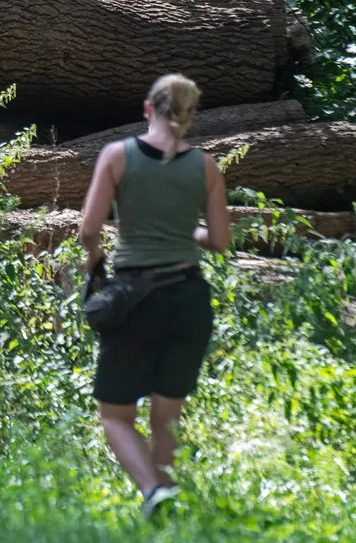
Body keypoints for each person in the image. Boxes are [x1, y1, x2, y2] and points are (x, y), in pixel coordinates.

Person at [78, 73, 231, 520]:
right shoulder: (205, 165)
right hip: (189, 300)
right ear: (189, 116)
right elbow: (219, 241)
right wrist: (186, 229)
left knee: (115, 415)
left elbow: (89, 229)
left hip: (135, 301)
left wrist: (95, 257)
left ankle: (152, 493)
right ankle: (166, 507)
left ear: (149, 109)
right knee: (165, 416)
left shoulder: (117, 156)